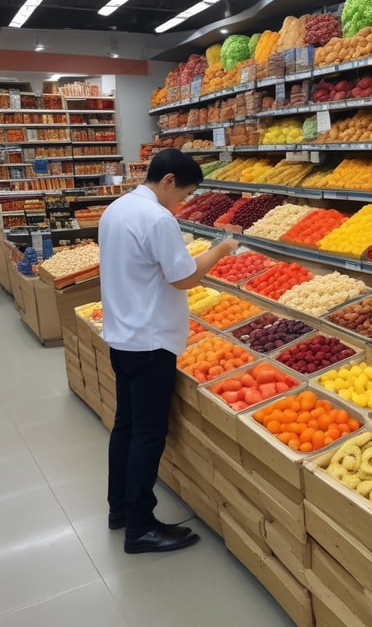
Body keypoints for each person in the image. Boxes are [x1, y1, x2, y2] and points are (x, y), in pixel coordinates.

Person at [99, 148, 237, 554]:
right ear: (169, 181)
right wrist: (221, 249)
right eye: (184, 193)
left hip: (122, 335)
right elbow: (184, 279)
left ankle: (119, 508)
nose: (182, 203)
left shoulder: (117, 208)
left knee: (125, 426)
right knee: (148, 435)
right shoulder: (158, 217)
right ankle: (140, 528)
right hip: (150, 341)